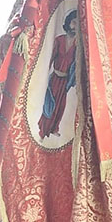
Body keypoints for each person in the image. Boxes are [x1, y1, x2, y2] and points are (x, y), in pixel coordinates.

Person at [38, 9, 77, 139]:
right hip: (55, 78)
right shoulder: (59, 40)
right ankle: (43, 130)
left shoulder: (78, 44)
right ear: (68, 23)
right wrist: (43, 77)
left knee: (61, 106)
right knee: (50, 105)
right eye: (73, 22)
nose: (75, 26)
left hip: (65, 81)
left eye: (78, 23)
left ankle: (54, 128)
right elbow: (50, 58)